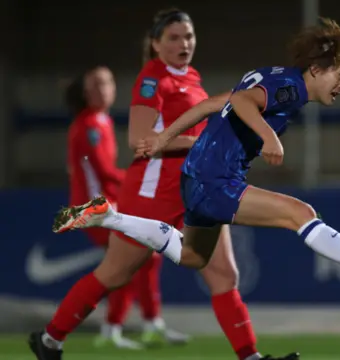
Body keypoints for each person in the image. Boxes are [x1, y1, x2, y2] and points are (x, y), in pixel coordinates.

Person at [51, 16, 340, 312]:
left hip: (197, 178)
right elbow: (242, 102)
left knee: (192, 257)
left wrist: (164, 139)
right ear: (315, 69)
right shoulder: (291, 88)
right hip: (214, 178)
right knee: (300, 213)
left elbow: (213, 105)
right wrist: (269, 136)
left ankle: (109, 216)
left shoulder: (274, 76)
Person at [29, 8, 297, 360]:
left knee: (224, 275)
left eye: (188, 36)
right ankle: (50, 340)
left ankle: (250, 357)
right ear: (156, 44)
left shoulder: (192, 77)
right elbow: (139, 139)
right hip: (152, 193)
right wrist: (200, 144)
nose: (183, 43)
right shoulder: (152, 79)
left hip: (197, 189)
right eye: (173, 37)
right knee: (115, 273)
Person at [65, 66, 149, 349]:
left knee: (128, 265)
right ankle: (106, 328)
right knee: (131, 262)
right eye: (96, 84)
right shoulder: (89, 126)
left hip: (103, 206)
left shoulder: (101, 122)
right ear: (86, 92)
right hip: (93, 208)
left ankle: (108, 328)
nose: (103, 89)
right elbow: (103, 171)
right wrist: (141, 178)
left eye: (107, 83)